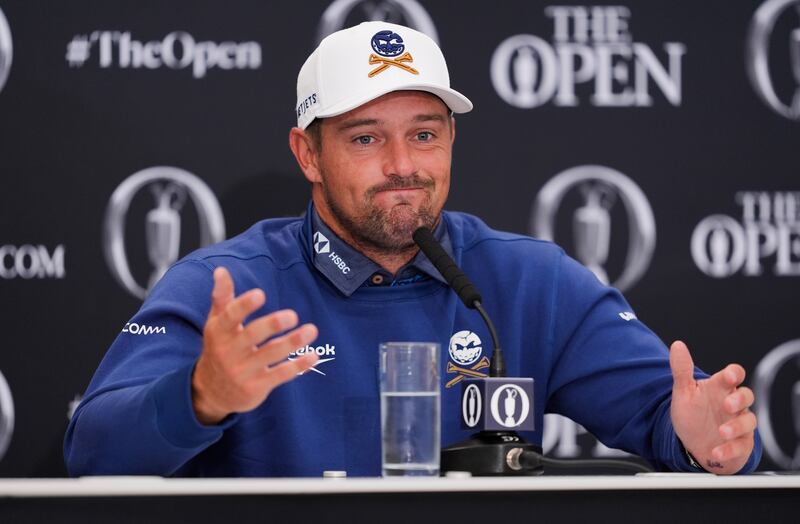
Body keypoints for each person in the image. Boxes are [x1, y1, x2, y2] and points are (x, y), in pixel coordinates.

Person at [64, 21, 761, 477]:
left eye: (424, 135)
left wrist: (710, 440)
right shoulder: (226, 287)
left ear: (451, 140)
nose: (403, 165)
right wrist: (199, 397)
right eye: (366, 138)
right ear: (308, 154)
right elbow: (92, 453)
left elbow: (684, 420)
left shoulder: (530, 280)